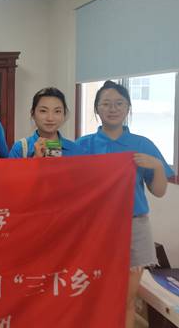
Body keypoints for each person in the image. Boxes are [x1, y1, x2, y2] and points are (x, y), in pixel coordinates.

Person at [76, 80, 173, 328]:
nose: (113, 109)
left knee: (126, 298)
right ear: (96, 109)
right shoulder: (83, 145)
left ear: (128, 107)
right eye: (106, 104)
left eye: (119, 103)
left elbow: (159, 191)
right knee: (93, 294)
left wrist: (156, 166)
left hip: (134, 227)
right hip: (95, 227)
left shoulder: (142, 144)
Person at [9, 87, 84, 158]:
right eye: (43, 111)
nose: (50, 118)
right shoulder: (20, 149)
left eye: (57, 111)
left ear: (64, 114)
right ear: (33, 113)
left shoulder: (76, 150)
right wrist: (35, 159)